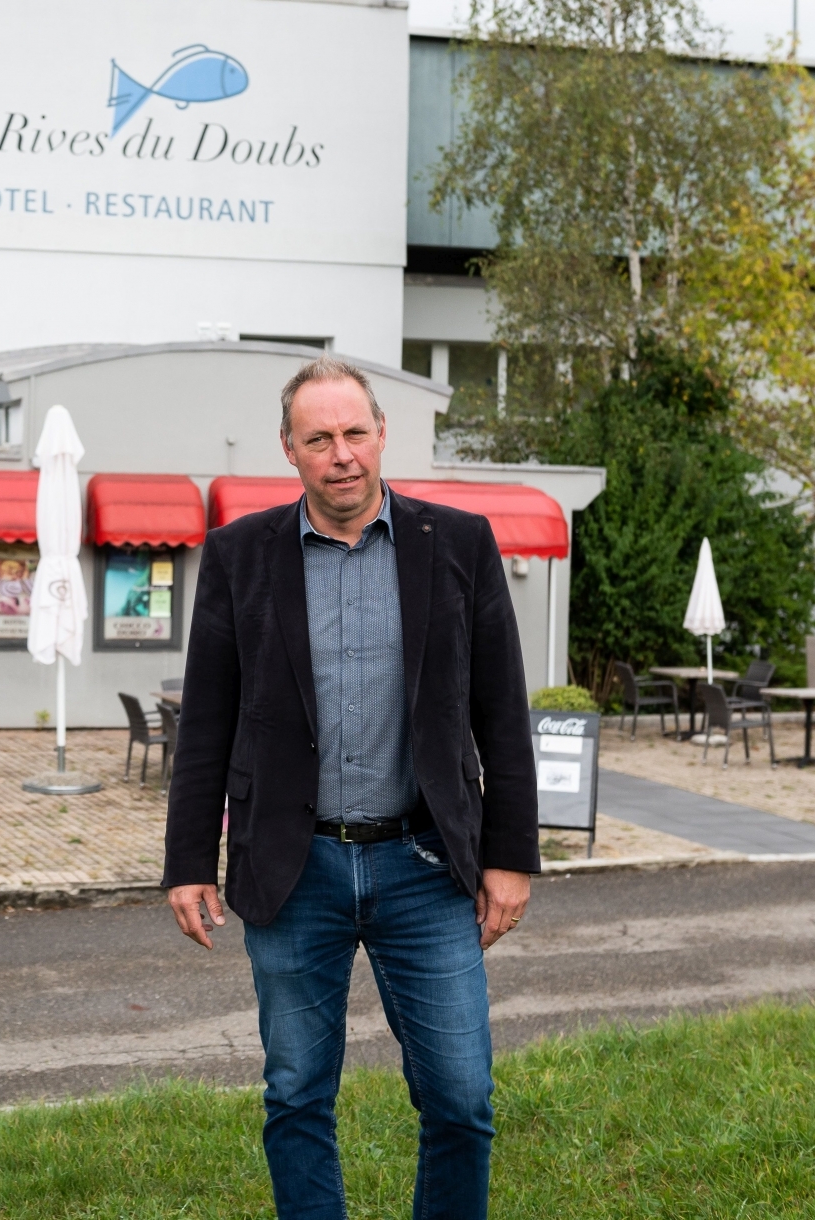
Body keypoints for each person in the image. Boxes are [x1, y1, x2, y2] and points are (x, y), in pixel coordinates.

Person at [163, 358, 538, 1220]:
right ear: (289, 450)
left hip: (426, 863)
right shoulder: (237, 557)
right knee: (296, 1093)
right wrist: (188, 861)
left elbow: (499, 715)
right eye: (319, 438)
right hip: (294, 869)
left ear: (381, 435)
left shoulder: (460, 545)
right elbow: (209, 724)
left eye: (355, 433)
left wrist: (511, 858)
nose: (341, 455)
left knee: (461, 1097)